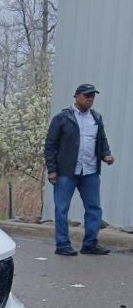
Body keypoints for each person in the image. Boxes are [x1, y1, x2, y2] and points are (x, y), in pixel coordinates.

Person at [44, 83, 116, 256]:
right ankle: (62, 245)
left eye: (92, 96)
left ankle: (90, 244)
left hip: (90, 172)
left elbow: (101, 140)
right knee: (62, 209)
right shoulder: (62, 118)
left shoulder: (96, 118)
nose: (90, 99)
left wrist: (106, 155)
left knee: (94, 208)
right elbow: (50, 146)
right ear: (77, 96)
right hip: (66, 173)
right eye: (86, 96)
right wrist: (52, 170)